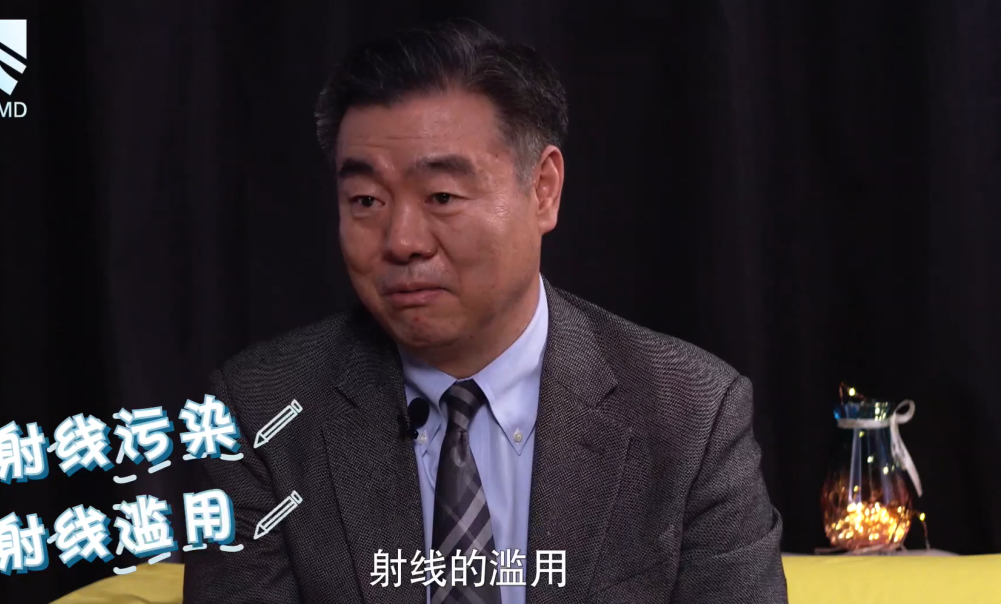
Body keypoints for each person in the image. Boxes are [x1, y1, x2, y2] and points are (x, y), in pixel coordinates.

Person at [183, 18, 787, 604]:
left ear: (543, 189)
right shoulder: (261, 414)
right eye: (365, 200)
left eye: (442, 195)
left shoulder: (691, 413)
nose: (402, 241)